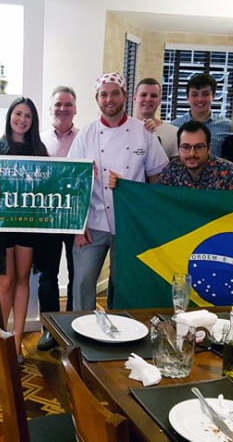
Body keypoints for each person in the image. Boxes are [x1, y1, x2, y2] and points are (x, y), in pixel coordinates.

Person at [68, 73, 168, 312]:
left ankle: (120, 333)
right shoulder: (86, 134)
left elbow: (157, 180)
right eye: (104, 94)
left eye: (115, 93)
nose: (109, 99)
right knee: (82, 282)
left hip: (129, 225)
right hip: (91, 223)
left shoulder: (143, 132)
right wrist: (76, 225)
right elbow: (71, 183)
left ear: (125, 96)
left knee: (123, 284)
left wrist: (139, 206)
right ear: (97, 99)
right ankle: (80, 335)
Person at [0, 97, 49, 364]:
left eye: (28, 116)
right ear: (10, 115)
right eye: (18, 113)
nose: (22, 119)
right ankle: (2, 343)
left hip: (28, 225)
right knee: (3, 283)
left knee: (22, 279)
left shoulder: (39, 149)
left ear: (33, 121)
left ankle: (17, 342)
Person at [36, 86, 79, 351]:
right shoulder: (39, 141)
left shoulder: (86, 137)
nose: (62, 108)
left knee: (77, 275)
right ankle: (49, 330)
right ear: (50, 107)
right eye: (58, 104)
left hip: (77, 219)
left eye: (68, 104)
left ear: (76, 108)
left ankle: (73, 327)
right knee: (47, 277)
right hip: (47, 220)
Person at [158, 120, 233, 190]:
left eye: (199, 147)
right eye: (186, 147)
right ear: (178, 148)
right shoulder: (170, 171)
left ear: (209, 148)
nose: (192, 153)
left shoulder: (232, 175)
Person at [170, 74, 232, 157]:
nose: (200, 99)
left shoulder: (228, 127)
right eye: (195, 94)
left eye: (205, 94)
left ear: (213, 96)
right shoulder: (173, 127)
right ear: (187, 97)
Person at [134, 77, 178, 158]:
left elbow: (176, 168)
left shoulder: (173, 133)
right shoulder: (123, 129)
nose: (148, 99)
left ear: (159, 101)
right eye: (143, 95)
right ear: (134, 99)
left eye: (153, 96)